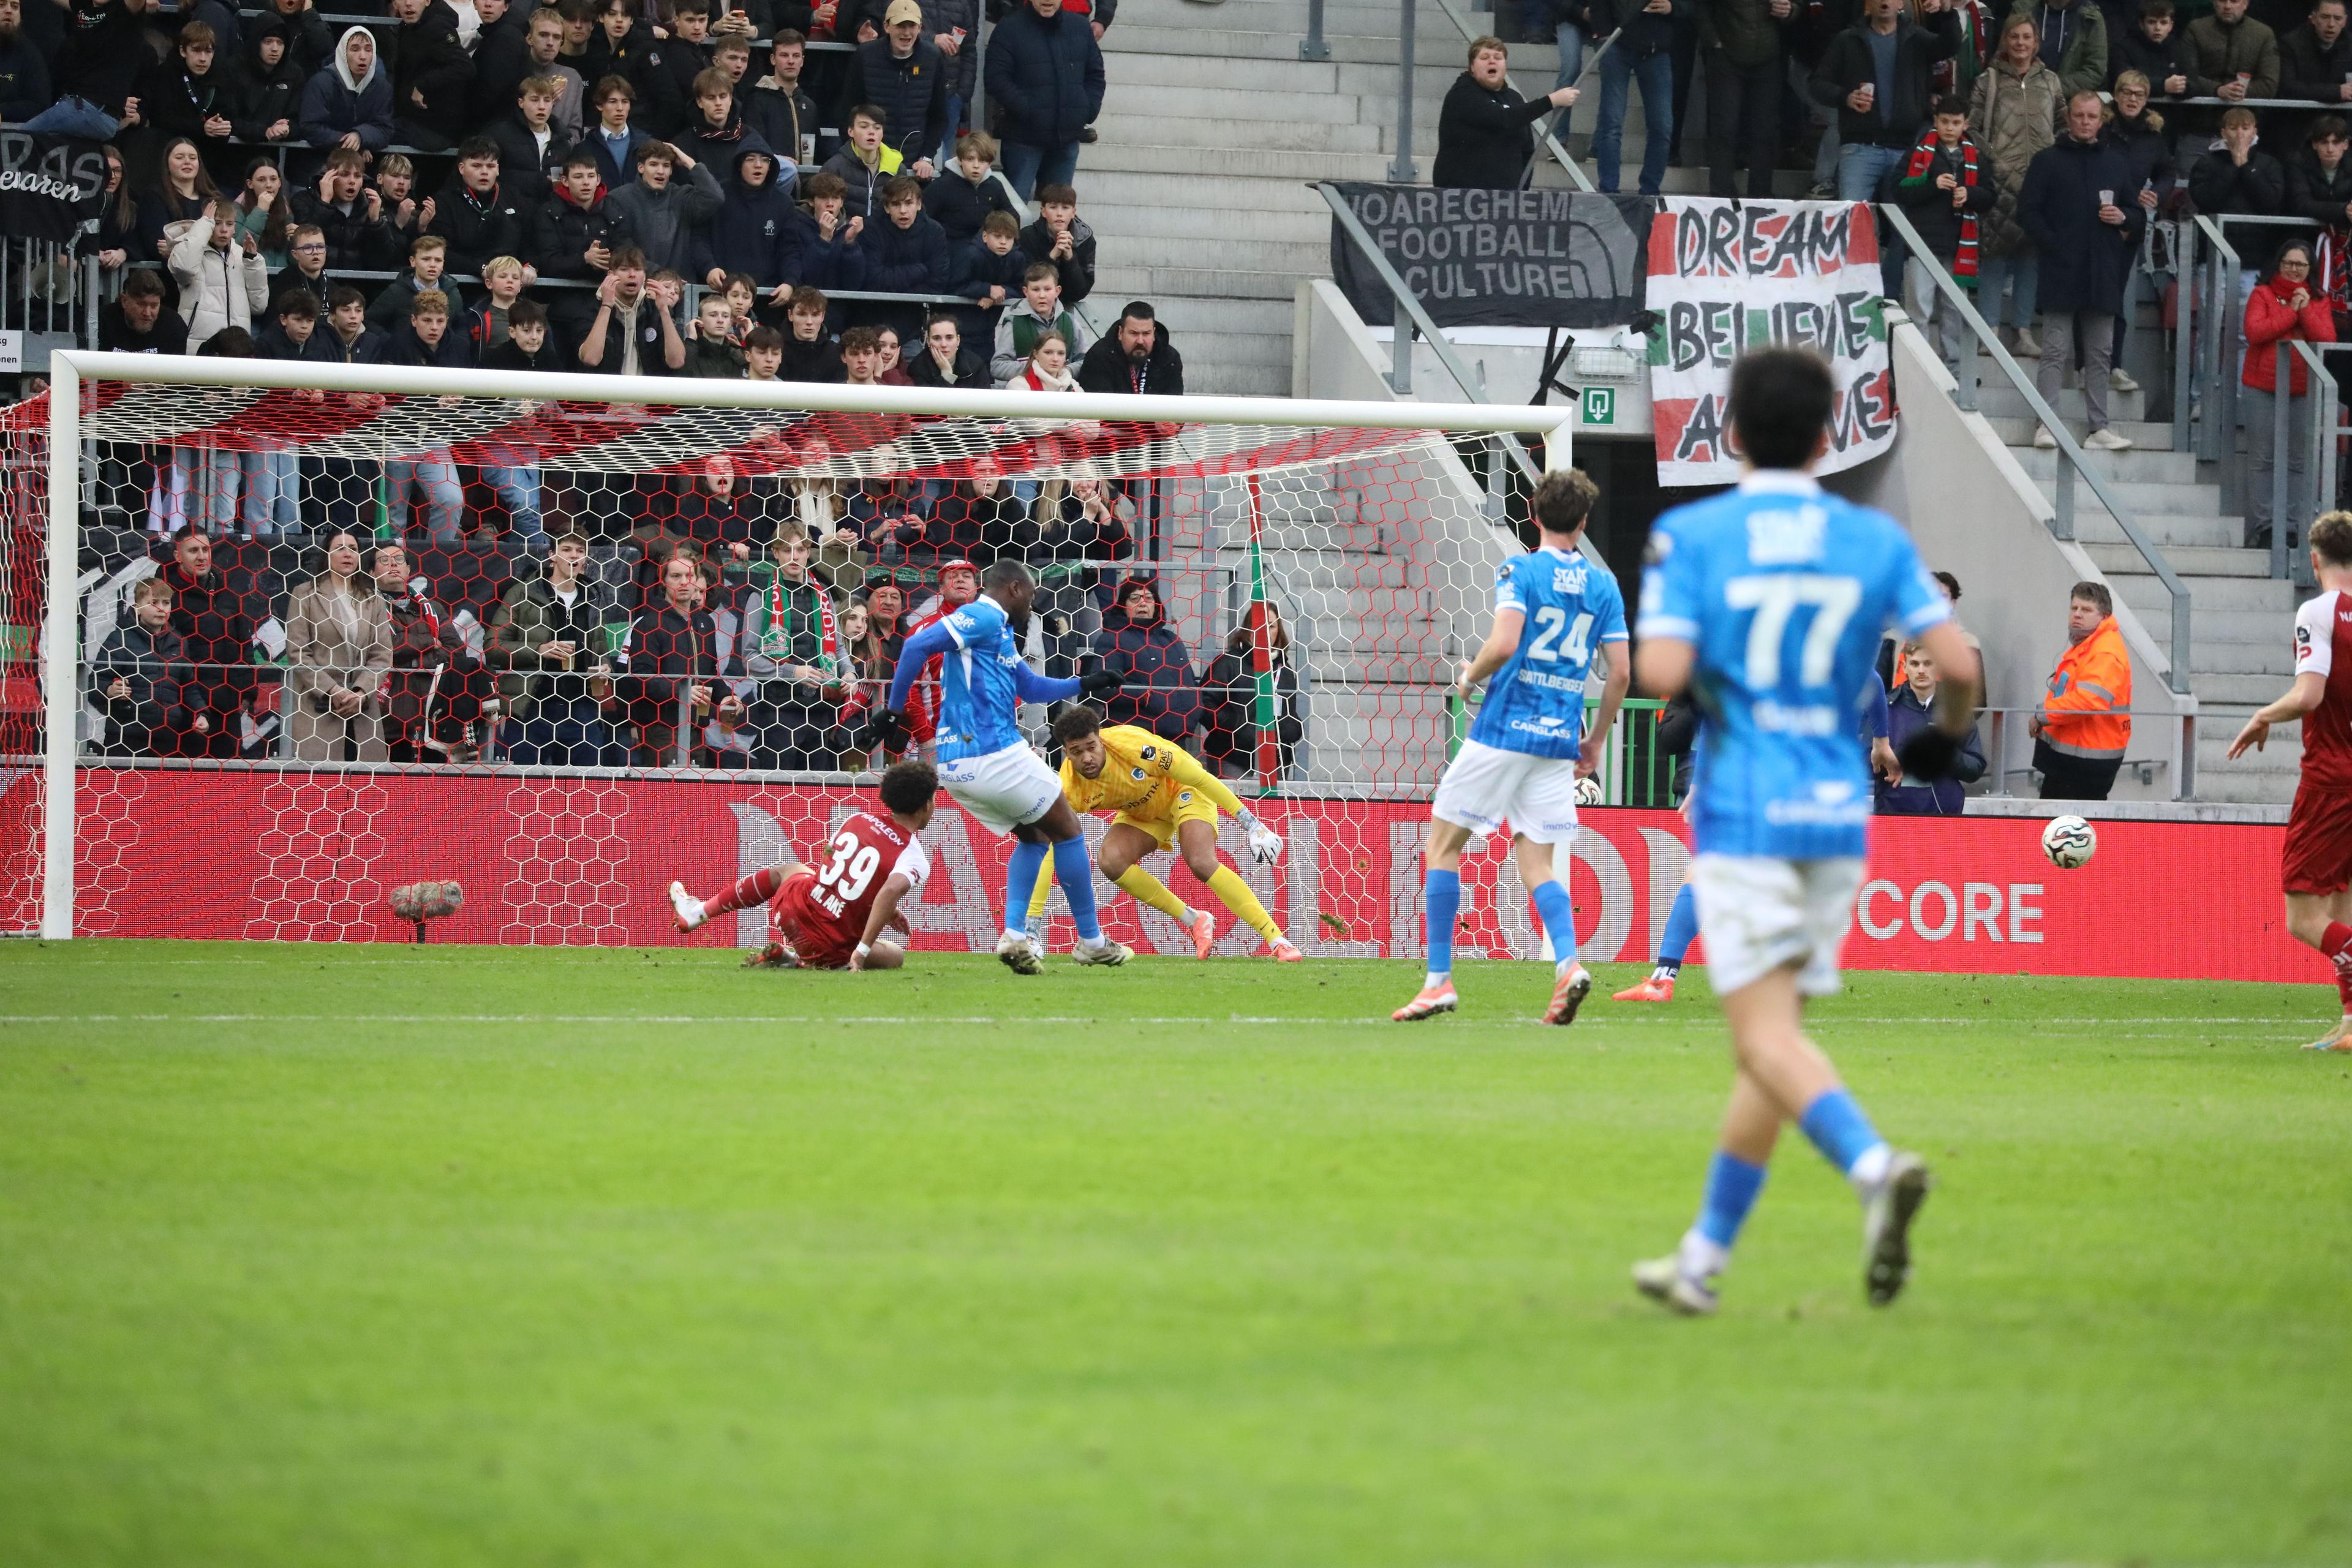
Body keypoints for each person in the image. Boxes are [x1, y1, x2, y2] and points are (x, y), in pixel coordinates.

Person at [1627, 345, 1981, 1316]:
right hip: (1836, 818)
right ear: (1830, 433)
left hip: (1745, 814)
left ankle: (1874, 1170)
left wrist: (1713, 676)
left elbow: (1661, 671)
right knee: (1770, 1044)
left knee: (1766, 1040)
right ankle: (1702, 1261)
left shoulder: (1690, 535)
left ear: (1730, 431)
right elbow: (1955, 663)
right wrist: (1944, 746)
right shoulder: (1874, 540)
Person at [1393, 468, 1630, 1026]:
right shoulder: (1605, 585)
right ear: (1586, 520)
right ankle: (1568, 964)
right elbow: (1619, 674)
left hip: (1504, 728)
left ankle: (1438, 981)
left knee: (1443, 845)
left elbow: (1505, 641)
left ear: (1533, 511)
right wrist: (1594, 741)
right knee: (1537, 860)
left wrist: (1469, 677)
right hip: (1558, 741)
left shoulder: (1519, 569)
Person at [867, 557, 1131, 971]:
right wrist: (894, 710)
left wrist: (1085, 683)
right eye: (1029, 593)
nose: (1032, 601)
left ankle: (1013, 936)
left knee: (1034, 838)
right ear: (1012, 589)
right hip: (991, 751)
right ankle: (1091, 940)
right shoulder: (983, 614)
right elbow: (917, 645)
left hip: (956, 767)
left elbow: (1030, 686)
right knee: (1068, 830)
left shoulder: (1000, 632)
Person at [1026, 704, 1297, 959]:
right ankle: (1194, 919)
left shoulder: (1137, 748)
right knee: (1110, 860)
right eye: (1076, 752)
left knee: (1200, 861)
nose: (1087, 758)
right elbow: (1052, 848)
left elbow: (1199, 778)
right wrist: (1031, 929)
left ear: (1100, 739)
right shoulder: (1069, 788)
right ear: (1065, 752)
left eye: (1091, 747)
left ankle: (1277, 940)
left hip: (1182, 791)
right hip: (1143, 812)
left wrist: (1251, 824)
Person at [2226, 511, 2352, 1049]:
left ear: (2315, 558)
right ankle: (2351, 1025)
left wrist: (2262, 716)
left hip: (2332, 779)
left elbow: (2309, 695)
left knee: (2304, 917)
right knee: (2343, 906)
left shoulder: (2319, 611)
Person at [669, 759, 941, 970]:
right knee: (895, 955)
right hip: (831, 947)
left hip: (792, 911)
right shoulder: (913, 855)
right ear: (926, 805)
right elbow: (888, 891)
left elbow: (835, 868)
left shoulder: (858, 818)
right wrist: (862, 951)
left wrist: (886, 909)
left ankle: (699, 912)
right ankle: (811, 960)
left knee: (791, 871)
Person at [2020, 90, 2144, 451]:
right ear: (2069, 119)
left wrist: (2123, 217)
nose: (2086, 122)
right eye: (2079, 116)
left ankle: (2099, 429)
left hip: (2103, 269)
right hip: (2062, 268)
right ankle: (2045, 424)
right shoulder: (2047, 161)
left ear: (2102, 120)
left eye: (2092, 116)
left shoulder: (2116, 163)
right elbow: (2027, 212)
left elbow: (2137, 215)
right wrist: (2054, 243)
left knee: (2100, 352)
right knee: (2055, 350)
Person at [489, 529, 624, 766]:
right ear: (552, 555)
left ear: (586, 558)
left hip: (581, 709)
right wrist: (539, 649)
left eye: (580, 551)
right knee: (521, 789)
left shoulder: (593, 597)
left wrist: (604, 666)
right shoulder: (522, 594)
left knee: (586, 789)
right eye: (567, 550)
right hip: (530, 707)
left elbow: (600, 647)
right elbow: (494, 646)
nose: (574, 556)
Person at [1811, 0, 1962, 204]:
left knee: (1901, 228)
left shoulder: (1916, 37)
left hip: (1905, 149)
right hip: (1859, 148)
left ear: (1901, 4)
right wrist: (1845, 97)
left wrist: (1947, 12)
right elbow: (1818, 84)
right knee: (1853, 220)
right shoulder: (1847, 40)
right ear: (1867, 4)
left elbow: (1950, 46)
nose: (1884, 1)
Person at [2242, 238, 2339, 551]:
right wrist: (2290, 313)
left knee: (2298, 461)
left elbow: (2326, 338)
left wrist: (2305, 309)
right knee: (2262, 460)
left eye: (2301, 265)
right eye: (2288, 263)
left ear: (2310, 270)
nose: (2294, 270)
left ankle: (2295, 527)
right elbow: (2255, 332)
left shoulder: (2319, 300)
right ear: (2279, 263)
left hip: (2301, 388)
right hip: (2261, 385)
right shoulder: (2262, 293)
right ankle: (2266, 527)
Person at [1893, 92, 1992, 366]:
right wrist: (1932, 185)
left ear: (1966, 125)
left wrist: (1969, 194)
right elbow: (1898, 189)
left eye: (1956, 122)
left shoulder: (1978, 158)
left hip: (1959, 244)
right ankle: (1919, 366)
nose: (1950, 127)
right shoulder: (1918, 153)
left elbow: (1990, 196)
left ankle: (1954, 368)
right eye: (1945, 121)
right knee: (1919, 309)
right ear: (1935, 122)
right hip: (1922, 242)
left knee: (1954, 309)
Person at [285, 529, 392, 761]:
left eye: (353, 549)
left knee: (366, 787)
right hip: (319, 707)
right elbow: (298, 652)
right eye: (340, 548)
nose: (348, 554)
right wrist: (333, 690)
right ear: (327, 554)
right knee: (318, 788)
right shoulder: (305, 594)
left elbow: (382, 654)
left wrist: (360, 693)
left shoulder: (373, 599)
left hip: (362, 710)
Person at [984, 0, 1106, 200]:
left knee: (1058, 218)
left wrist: (1086, 110)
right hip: (1023, 139)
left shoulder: (1080, 27)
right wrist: (1029, 111)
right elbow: (996, 79)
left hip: (1067, 139)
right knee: (1014, 212)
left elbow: (1095, 75)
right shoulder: (1009, 28)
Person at [1431, 35, 1581, 190]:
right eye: (1484, 57)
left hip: (1506, 200)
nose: (1492, 61)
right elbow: (1502, 119)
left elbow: (1527, 150)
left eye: (1498, 57)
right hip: (1460, 197)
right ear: (1472, 68)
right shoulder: (1462, 93)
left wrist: (1522, 191)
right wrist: (1551, 101)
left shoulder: (1514, 98)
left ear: (1505, 66)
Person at [2029, 579, 2131, 799]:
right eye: (2074, 608)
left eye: (2086, 610)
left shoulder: (2104, 652)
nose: (2077, 614)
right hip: (2074, 761)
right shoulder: (2089, 645)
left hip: (2084, 764)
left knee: (2067, 829)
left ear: (2103, 616)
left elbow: (2088, 701)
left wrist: (2043, 715)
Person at [159, 524, 255, 758]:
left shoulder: (228, 595)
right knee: (186, 784)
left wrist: (246, 694)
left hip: (228, 708)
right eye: (193, 551)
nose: (202, 556)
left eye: (206, 550)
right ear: (177, 556)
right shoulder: (167, 598)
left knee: (228, 784)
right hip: (187, 710)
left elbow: (244, 644)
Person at [93, 578, 205, 757]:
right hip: (126, 736)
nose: (161, 608)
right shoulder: (119, 639)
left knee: (162, 785)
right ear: (137, 608)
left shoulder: (179, 643)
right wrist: (109, 690)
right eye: (154, 603)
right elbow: (95, 681)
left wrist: (201, 714)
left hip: (167, 738)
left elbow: (189, 687)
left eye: (166, 603)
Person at [1088, 574, 1200, 746]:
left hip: (1177, 739)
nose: (1143, 603)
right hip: (1136, 740)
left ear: (1156, 606)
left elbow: (1188, 681)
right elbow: (1100, 687)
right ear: (1123, 606)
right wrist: (1144, 695)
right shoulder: (1113, 639)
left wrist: (1196, 707)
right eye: (1135, 598)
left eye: (1149, 598)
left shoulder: (1171, 639)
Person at [1875, 641, 1986, 813]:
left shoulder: (1957, 711)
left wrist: (1946, 753)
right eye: (1914, 664)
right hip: (1894, 818)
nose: (1921, 670)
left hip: (1944, 817)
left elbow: (1976, 768)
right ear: (1905, 667)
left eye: (1928, 663)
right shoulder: (1884, 709)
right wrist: (1901, 757)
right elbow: (1861, 763)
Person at [1589, 0, 1685, 195]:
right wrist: (1603, 34)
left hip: (1656, 49)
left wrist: (1672, 8)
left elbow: (1691, 7)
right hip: (1617, 43)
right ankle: (1609, 192)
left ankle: (1649, 193)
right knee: (1612, 123)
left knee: (1662, 126)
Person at [1200, 603, 1306, 780]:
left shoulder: (1285, 670)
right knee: (1237, 807)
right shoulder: (1228, 663)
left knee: (1270, 808)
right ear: (1248, 629)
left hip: (1274, 760)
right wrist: (1239, 728)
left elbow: (1289, 712)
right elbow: (1204, 704)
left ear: (1278, 631)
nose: (1265, 631)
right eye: (1259, 625)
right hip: (1232, 757)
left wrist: (1291, 729)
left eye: (1271, 626)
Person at [842, 0, 946, 177]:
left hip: (915, 165)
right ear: (887, 27)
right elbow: (849, 110)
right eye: (900, 25)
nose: (906, 32)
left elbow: (939, 117)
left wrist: (927, 157)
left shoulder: (933, 58)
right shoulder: (865, 56)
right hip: (868, 162)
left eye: (912, 25)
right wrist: (857, 155)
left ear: (920, 28)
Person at [1700, 0, 1786, 200]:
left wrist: (1791, 11)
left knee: (1765, 129)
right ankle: (1722, 194)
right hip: (1727, 55)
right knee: (1724, 127)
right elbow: (1700, 7)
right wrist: (1713, 40)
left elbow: (1797, 7)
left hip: (1769, 55)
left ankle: (1761, 194)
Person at [298, 24, 396, 153]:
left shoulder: (382, 87)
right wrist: (349, 143)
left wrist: (360, 136)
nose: (363, 56)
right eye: (355, 50)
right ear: (343, 53)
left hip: (366, 162)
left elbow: (385, 130)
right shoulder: (321, 83)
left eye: (368, 50)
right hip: (322, 157)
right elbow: (311, 127)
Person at [1077, 301, 1184, 396]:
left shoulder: (1170, 359)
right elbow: (1097, 409)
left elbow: (1174, 408)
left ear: (1154, 333)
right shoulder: (1099, 356)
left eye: (1147, 334)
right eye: (1134, 333)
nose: (1140, 341)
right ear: (1120, 333)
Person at [910, 312, 992, 388]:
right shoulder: (918, 367)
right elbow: (929, 402)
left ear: (958, 340)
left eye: (949, 338)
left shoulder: (975, 364)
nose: (944, 344)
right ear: (928, 341)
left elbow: (986, 401)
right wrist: (947, 375)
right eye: (937, 338)